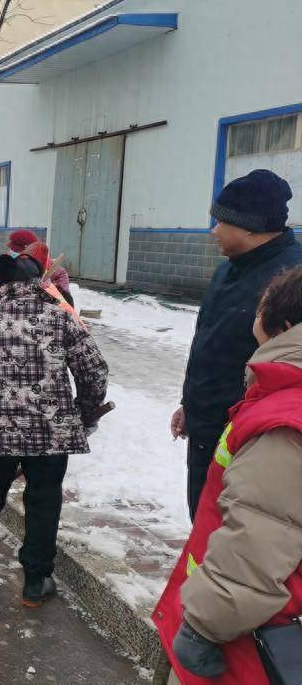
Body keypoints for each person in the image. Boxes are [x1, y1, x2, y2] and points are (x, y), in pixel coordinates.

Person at [155, 266, 302, 684]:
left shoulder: (284, 421)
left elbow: (258, 535)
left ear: (283, 325)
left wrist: (203, 626)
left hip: (248, 635)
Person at [0, 253, 108, 606]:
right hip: (50, 436)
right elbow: (95, 373)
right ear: (39, 282)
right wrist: (82, 414)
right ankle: (36, 582)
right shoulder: (62, 320)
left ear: (1, 285)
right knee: (44, 501)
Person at [171, 169, 302, 519]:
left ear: (249, 226)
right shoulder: (227, 270)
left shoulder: (292, 280)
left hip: (258, 439)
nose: (214, 231)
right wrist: (190, 403)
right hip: (208, 428)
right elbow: (209, 343)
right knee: (201, 519)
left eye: (220, 222)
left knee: (236, 533)